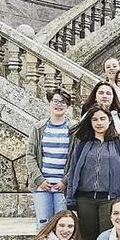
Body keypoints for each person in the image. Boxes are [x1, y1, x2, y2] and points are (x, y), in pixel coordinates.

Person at [64, 104, 120, 240]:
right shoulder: (82, 145)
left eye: (102, 119)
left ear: (109, 121)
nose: (99, 123)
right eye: (95, 119)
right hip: (84, 200)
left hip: (109, 200)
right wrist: (70, 201)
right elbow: (73, 173)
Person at [27, 89, 72, 230]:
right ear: (50, 103)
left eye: (63, 102)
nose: (59, 105)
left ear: (68, 106)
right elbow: (30, 155)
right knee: (43, 225)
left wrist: (65, 181)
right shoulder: (39, 128)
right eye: (56, 101)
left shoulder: (73, 130)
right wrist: (40, 180)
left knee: (63, 225)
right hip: (42, 186)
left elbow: (76, 160)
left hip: (63, 187)